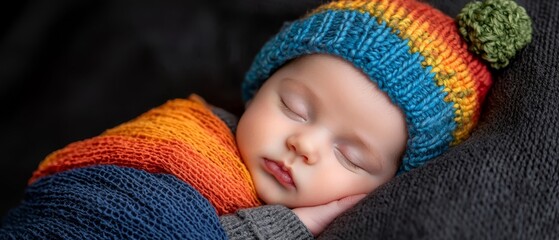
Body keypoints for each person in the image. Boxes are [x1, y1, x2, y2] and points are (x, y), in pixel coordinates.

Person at [1, 0, 532, 239]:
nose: (304, 144)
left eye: (350, 155)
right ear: (259, 84)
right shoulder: (178, 142)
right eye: (294, 107)